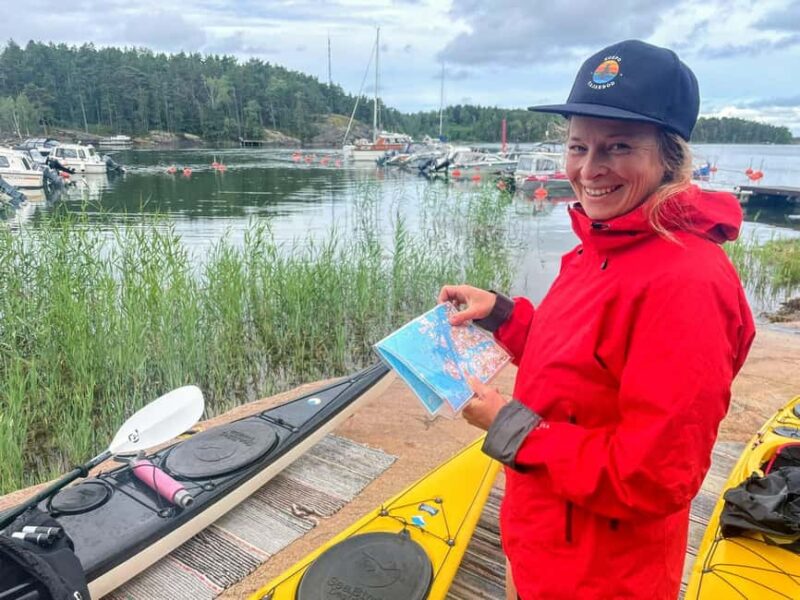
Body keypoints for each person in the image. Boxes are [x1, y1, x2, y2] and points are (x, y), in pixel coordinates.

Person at [438, 39, 755, 599]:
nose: (589, 169)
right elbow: (586, 362)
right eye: (579, 145)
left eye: (618, 147)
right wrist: (504, 316)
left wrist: (511, 428)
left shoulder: (688, 283)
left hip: (603, 576)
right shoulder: (604, 239)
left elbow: (654, 477)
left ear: (670, 159)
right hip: (541, 541)